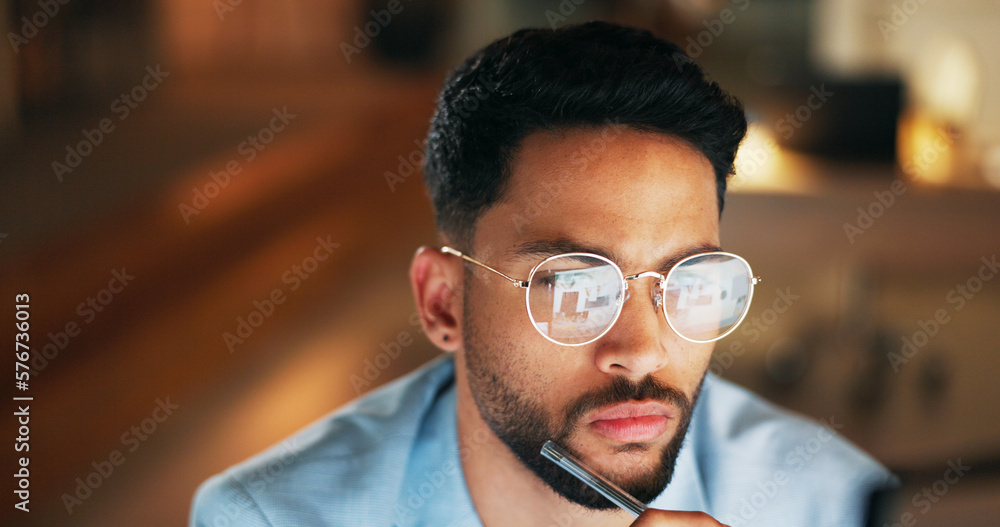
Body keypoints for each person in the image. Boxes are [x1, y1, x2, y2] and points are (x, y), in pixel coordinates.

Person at [191, 21, 895, 527]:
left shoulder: (830, 501)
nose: (645, 349)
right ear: (443, 303)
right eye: (574, 286)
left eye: (686, 281)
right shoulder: (274, 516)